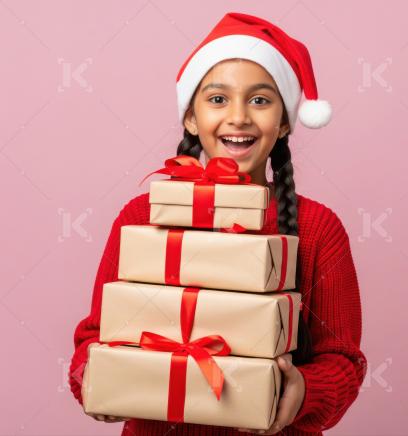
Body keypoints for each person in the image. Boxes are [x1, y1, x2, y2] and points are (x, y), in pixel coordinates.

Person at [69, 12, 366, 435]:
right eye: (218, 99)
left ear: (284, 122)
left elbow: (344, 363)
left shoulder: (317, 228)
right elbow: (95, 336)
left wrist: (302, 388)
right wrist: (93, 378)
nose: (239, 117)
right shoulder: (142, 216)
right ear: (191, 117)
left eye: (260, 100)